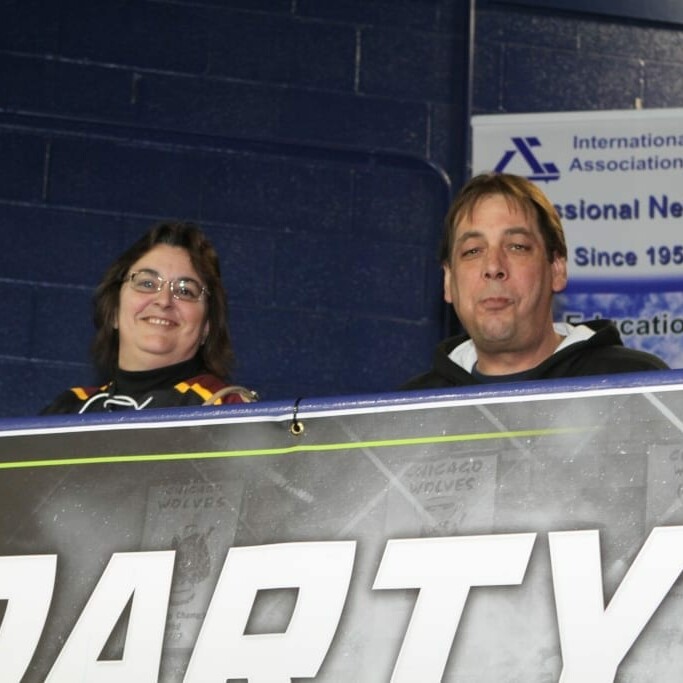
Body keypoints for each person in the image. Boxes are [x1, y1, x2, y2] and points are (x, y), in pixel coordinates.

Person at [403, 172, 669, 389]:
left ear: (556, 269)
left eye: (517, 246)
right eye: (472, 251)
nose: (493, 266)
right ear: (449, 281)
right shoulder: (410, 411)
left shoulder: (636, 385)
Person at [42, 221, 257, 414]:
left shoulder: (225, 409)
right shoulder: (67, 411)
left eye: (185, 291)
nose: (163, 300)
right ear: (114, 310)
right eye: (147, 283)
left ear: (206, 328)